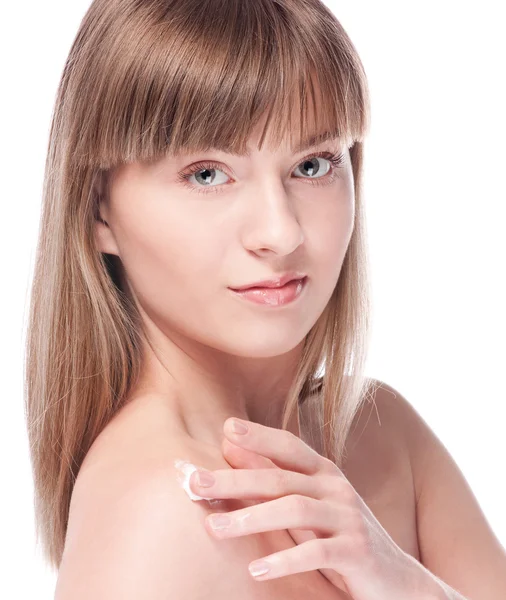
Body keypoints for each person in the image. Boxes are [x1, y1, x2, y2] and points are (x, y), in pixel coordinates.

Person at [24, 0, 506, 598]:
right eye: (207, 173)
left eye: (312, 164)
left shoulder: (383, 434)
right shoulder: (160, 515)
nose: (281, 233)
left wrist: (404, 583)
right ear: (98, 207)